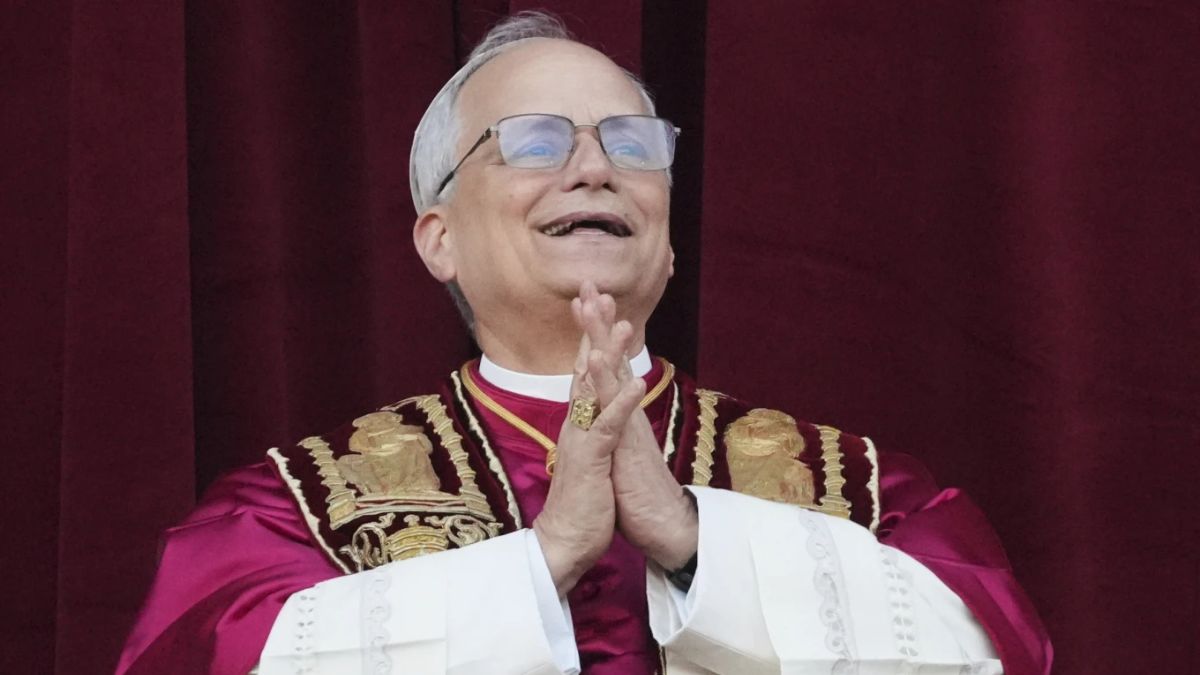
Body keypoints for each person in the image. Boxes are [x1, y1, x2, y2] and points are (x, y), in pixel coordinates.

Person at [117, 12, 1051, 675]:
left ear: (671, 235)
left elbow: (996, 650)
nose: (596, 166)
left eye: (633, 141)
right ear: (437, 237)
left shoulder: (870, 491)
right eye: (532, 141)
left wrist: (694, 542)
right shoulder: (288, 512)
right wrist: (546, 557)